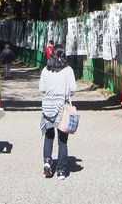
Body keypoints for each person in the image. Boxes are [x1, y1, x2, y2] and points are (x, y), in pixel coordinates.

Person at [39, 43, 77, 180]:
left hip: (47, 106)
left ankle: (47, 162)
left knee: (49, 136)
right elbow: (73, 89)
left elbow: (42, 88)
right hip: (61, 106)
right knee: (62, 140)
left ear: (52, 54)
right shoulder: (68, 70)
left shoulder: (45, 70)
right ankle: (61, 170)